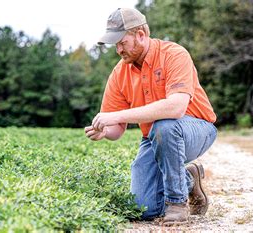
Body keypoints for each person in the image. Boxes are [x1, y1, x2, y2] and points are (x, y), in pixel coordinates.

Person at [84, 8, 217, 226]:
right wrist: (105, 131)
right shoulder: (119, 73)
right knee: (142, 208)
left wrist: (116, 115)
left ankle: (177, 203)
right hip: (154, 138)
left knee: (165, 126)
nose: (118, 49)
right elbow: (117, 129)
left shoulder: (174, 54)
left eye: (121, 42)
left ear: (140, 35)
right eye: (114, 44)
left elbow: (175, 108)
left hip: (197, 128)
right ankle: (189, 180)